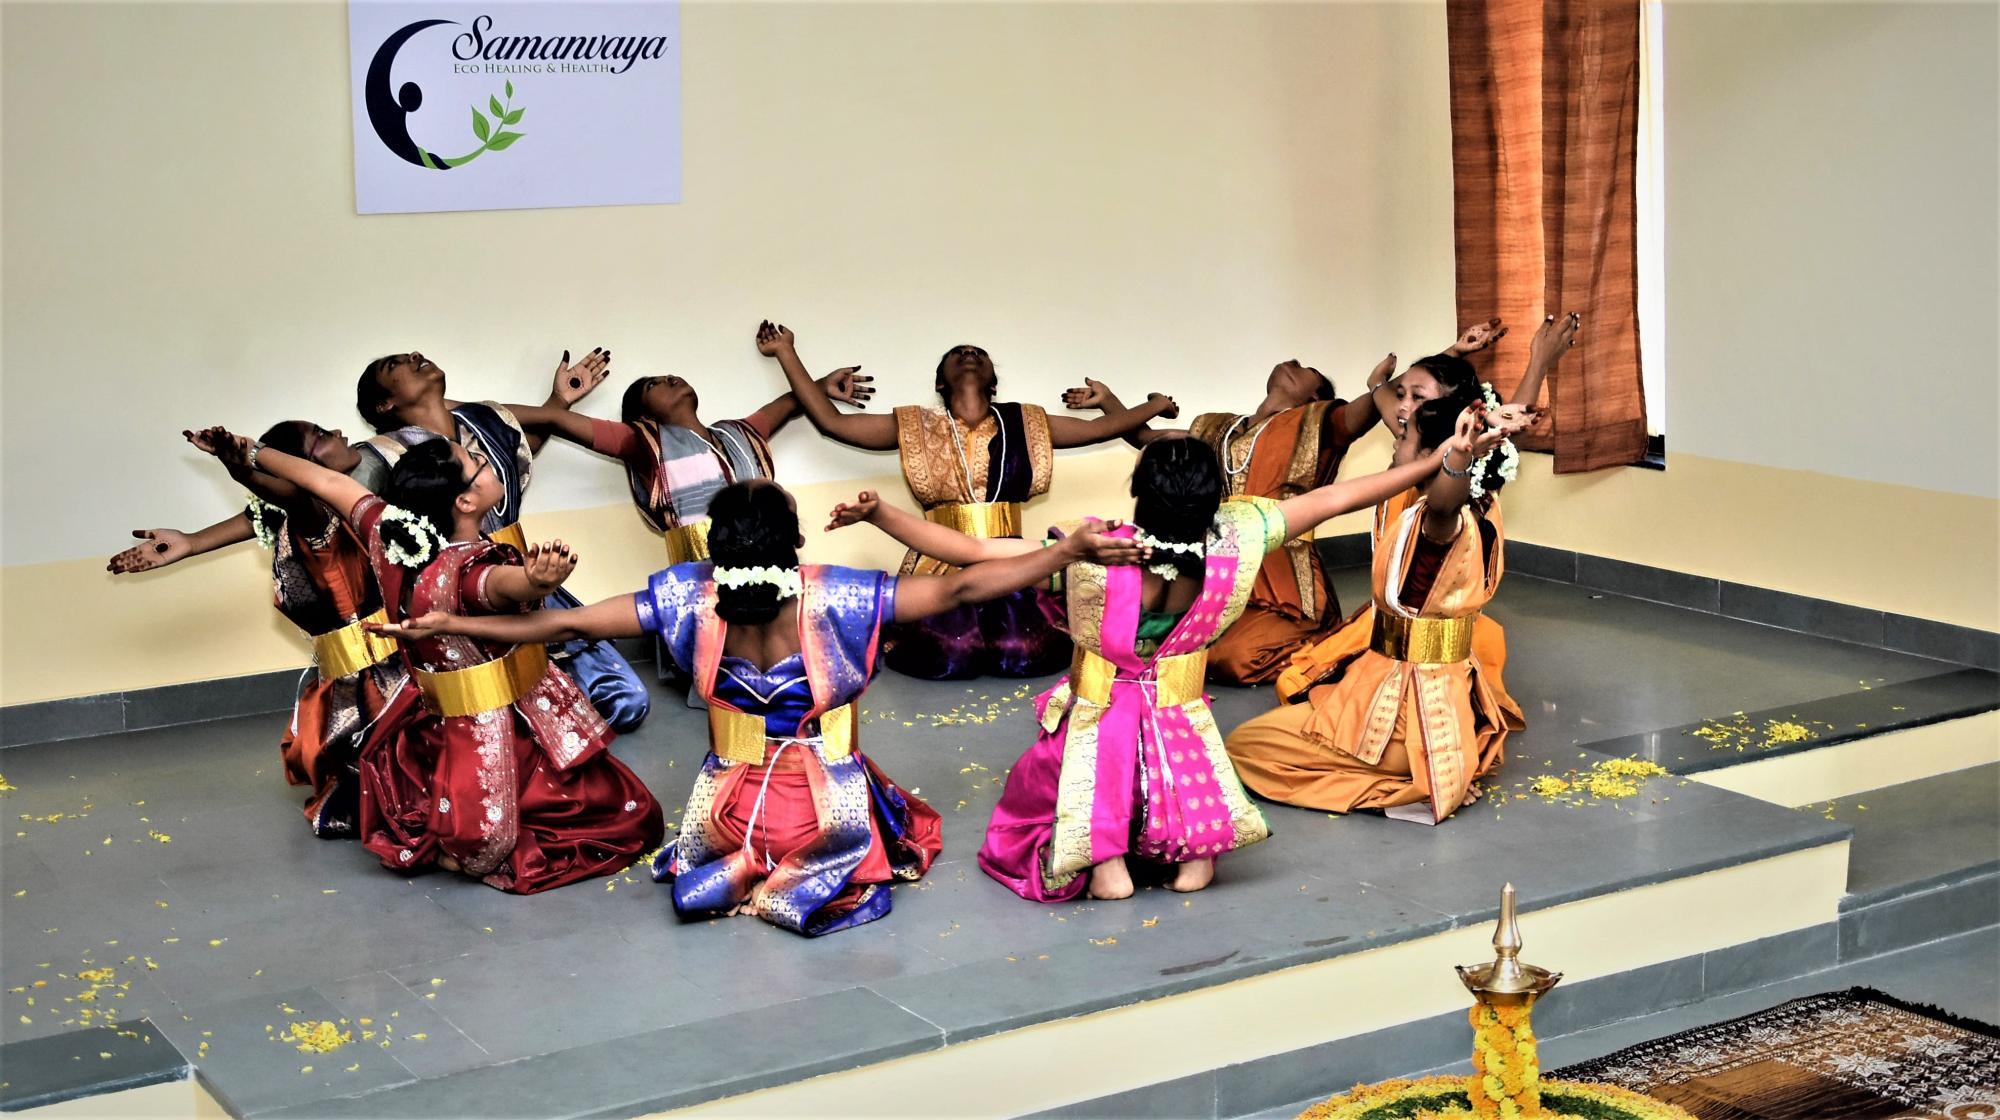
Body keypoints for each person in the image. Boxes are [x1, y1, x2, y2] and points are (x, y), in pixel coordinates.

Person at [373, 479, 1140, 934]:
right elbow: (966, 585)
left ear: (717, 546)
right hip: (830, 801)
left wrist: (452, 622)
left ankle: (740, 862)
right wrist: (1066, 551)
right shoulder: (837, 594)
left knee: (701, 873)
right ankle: (786, 876)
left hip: (726, 807)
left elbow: (561, 622)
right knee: (851, 830)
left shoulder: (688, 597)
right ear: (794, 541)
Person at [828, 419, 1500, 902]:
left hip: (1103, 712)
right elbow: (1339, 498)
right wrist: (1440, 461)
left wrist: (881, 513)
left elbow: (972, 560)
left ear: (1141, 497)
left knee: (1079, 766)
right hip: (1180, 715)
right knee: (1182, 762)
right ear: (1213, 503)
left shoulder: (1096, 554)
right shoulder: (1238, 540)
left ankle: (1108, 866)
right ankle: (1192, 863)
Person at [192, 425, 664, 893]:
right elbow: (506, 587)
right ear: (465, 501)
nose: (486, 462)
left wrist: (252, 451)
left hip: (434, 721)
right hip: (497, 726)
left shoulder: (389, 536)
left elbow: (327, 483)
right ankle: (475, 841)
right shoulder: (472, 570)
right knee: (632, 819)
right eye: (477, 465)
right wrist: (538, 581)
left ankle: (464, 828)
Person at [1223, 313, 1580, 824]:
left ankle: (1414, 788)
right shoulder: (1444, 474)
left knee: (1247, 748)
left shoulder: (1445, 501)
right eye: (1401, 396)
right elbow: (1480, 442)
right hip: (1392, 665)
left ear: (1444, 427)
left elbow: (1445, 502)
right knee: (1294, 702)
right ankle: (1428, 767)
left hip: (1418, 697)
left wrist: (1462, 450)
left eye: (1417, 400)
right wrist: (1495, 362)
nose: (1400, 408)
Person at [1061, 320, 1507, 684]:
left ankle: (1325, 642)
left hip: (1282, 581)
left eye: (1307, 367)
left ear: (1317, 396)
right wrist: (1110, 403)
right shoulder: (1216, 425)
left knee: (1226, 660)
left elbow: (1397, 400)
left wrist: (1450, 357)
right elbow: (1145, 438)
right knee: (1159, 635)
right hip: (1216, 565)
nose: (1294, 362)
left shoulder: (1320, 420)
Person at [756, 320, 1177, 679]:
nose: (969, 354)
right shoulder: (913, 424)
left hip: (1014, 560)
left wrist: (1153, 404)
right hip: (937, 562)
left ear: (993, 380)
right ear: (941, 381)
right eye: (958, 354)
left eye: (979, 353)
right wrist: (786, 352)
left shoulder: (1029, 422)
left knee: (1023, 652)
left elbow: (1106, 429)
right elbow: (831, 424)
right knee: (948, 652)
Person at [109, 421, 406, 838]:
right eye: (320, 437)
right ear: (299, 470)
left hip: (364, 670)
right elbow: (289, 500)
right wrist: (244, 471)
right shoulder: (313, 518)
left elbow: (265, 511)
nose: (338, 432)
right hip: (374, 679)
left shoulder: (331, 508)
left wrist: (193, 541)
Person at [353, 347, 651, 730]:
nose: (414, 355)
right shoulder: (375, 459)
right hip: (452, 600)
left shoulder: (482, 418)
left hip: (521, 580)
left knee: (625, 701)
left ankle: (536, 719)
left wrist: (560, 401)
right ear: (384, 404)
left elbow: (510, 462)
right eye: (393, 365)